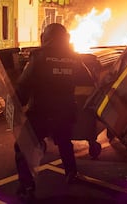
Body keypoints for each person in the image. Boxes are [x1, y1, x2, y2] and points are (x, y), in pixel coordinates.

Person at [14, 23, 84, 201]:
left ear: (46, 37)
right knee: (64, 142)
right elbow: (86, 81)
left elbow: (24, 83)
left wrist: (17, 104)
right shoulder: (75, 58)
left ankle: (27, 186)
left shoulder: (39, 57)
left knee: (23, 147)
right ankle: (71, 172)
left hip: (42, 112)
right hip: (66, 111)